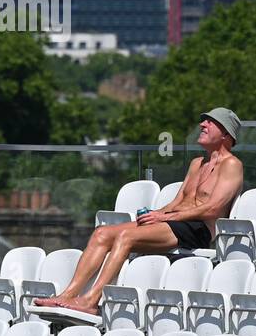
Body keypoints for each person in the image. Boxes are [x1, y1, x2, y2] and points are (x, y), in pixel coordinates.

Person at [34, 108, 244, 315]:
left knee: (126, 236)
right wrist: (155, 215)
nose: (202, 125)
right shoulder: (197, 163)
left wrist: (166, 217)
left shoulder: (232, 165)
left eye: (210, 122)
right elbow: (178, 201)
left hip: (198, 229)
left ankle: (91, 300)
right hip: (173, 222)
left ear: (226, 133)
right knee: (102, 233)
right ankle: (67, 295)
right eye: (203, 121)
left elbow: (213, 209)